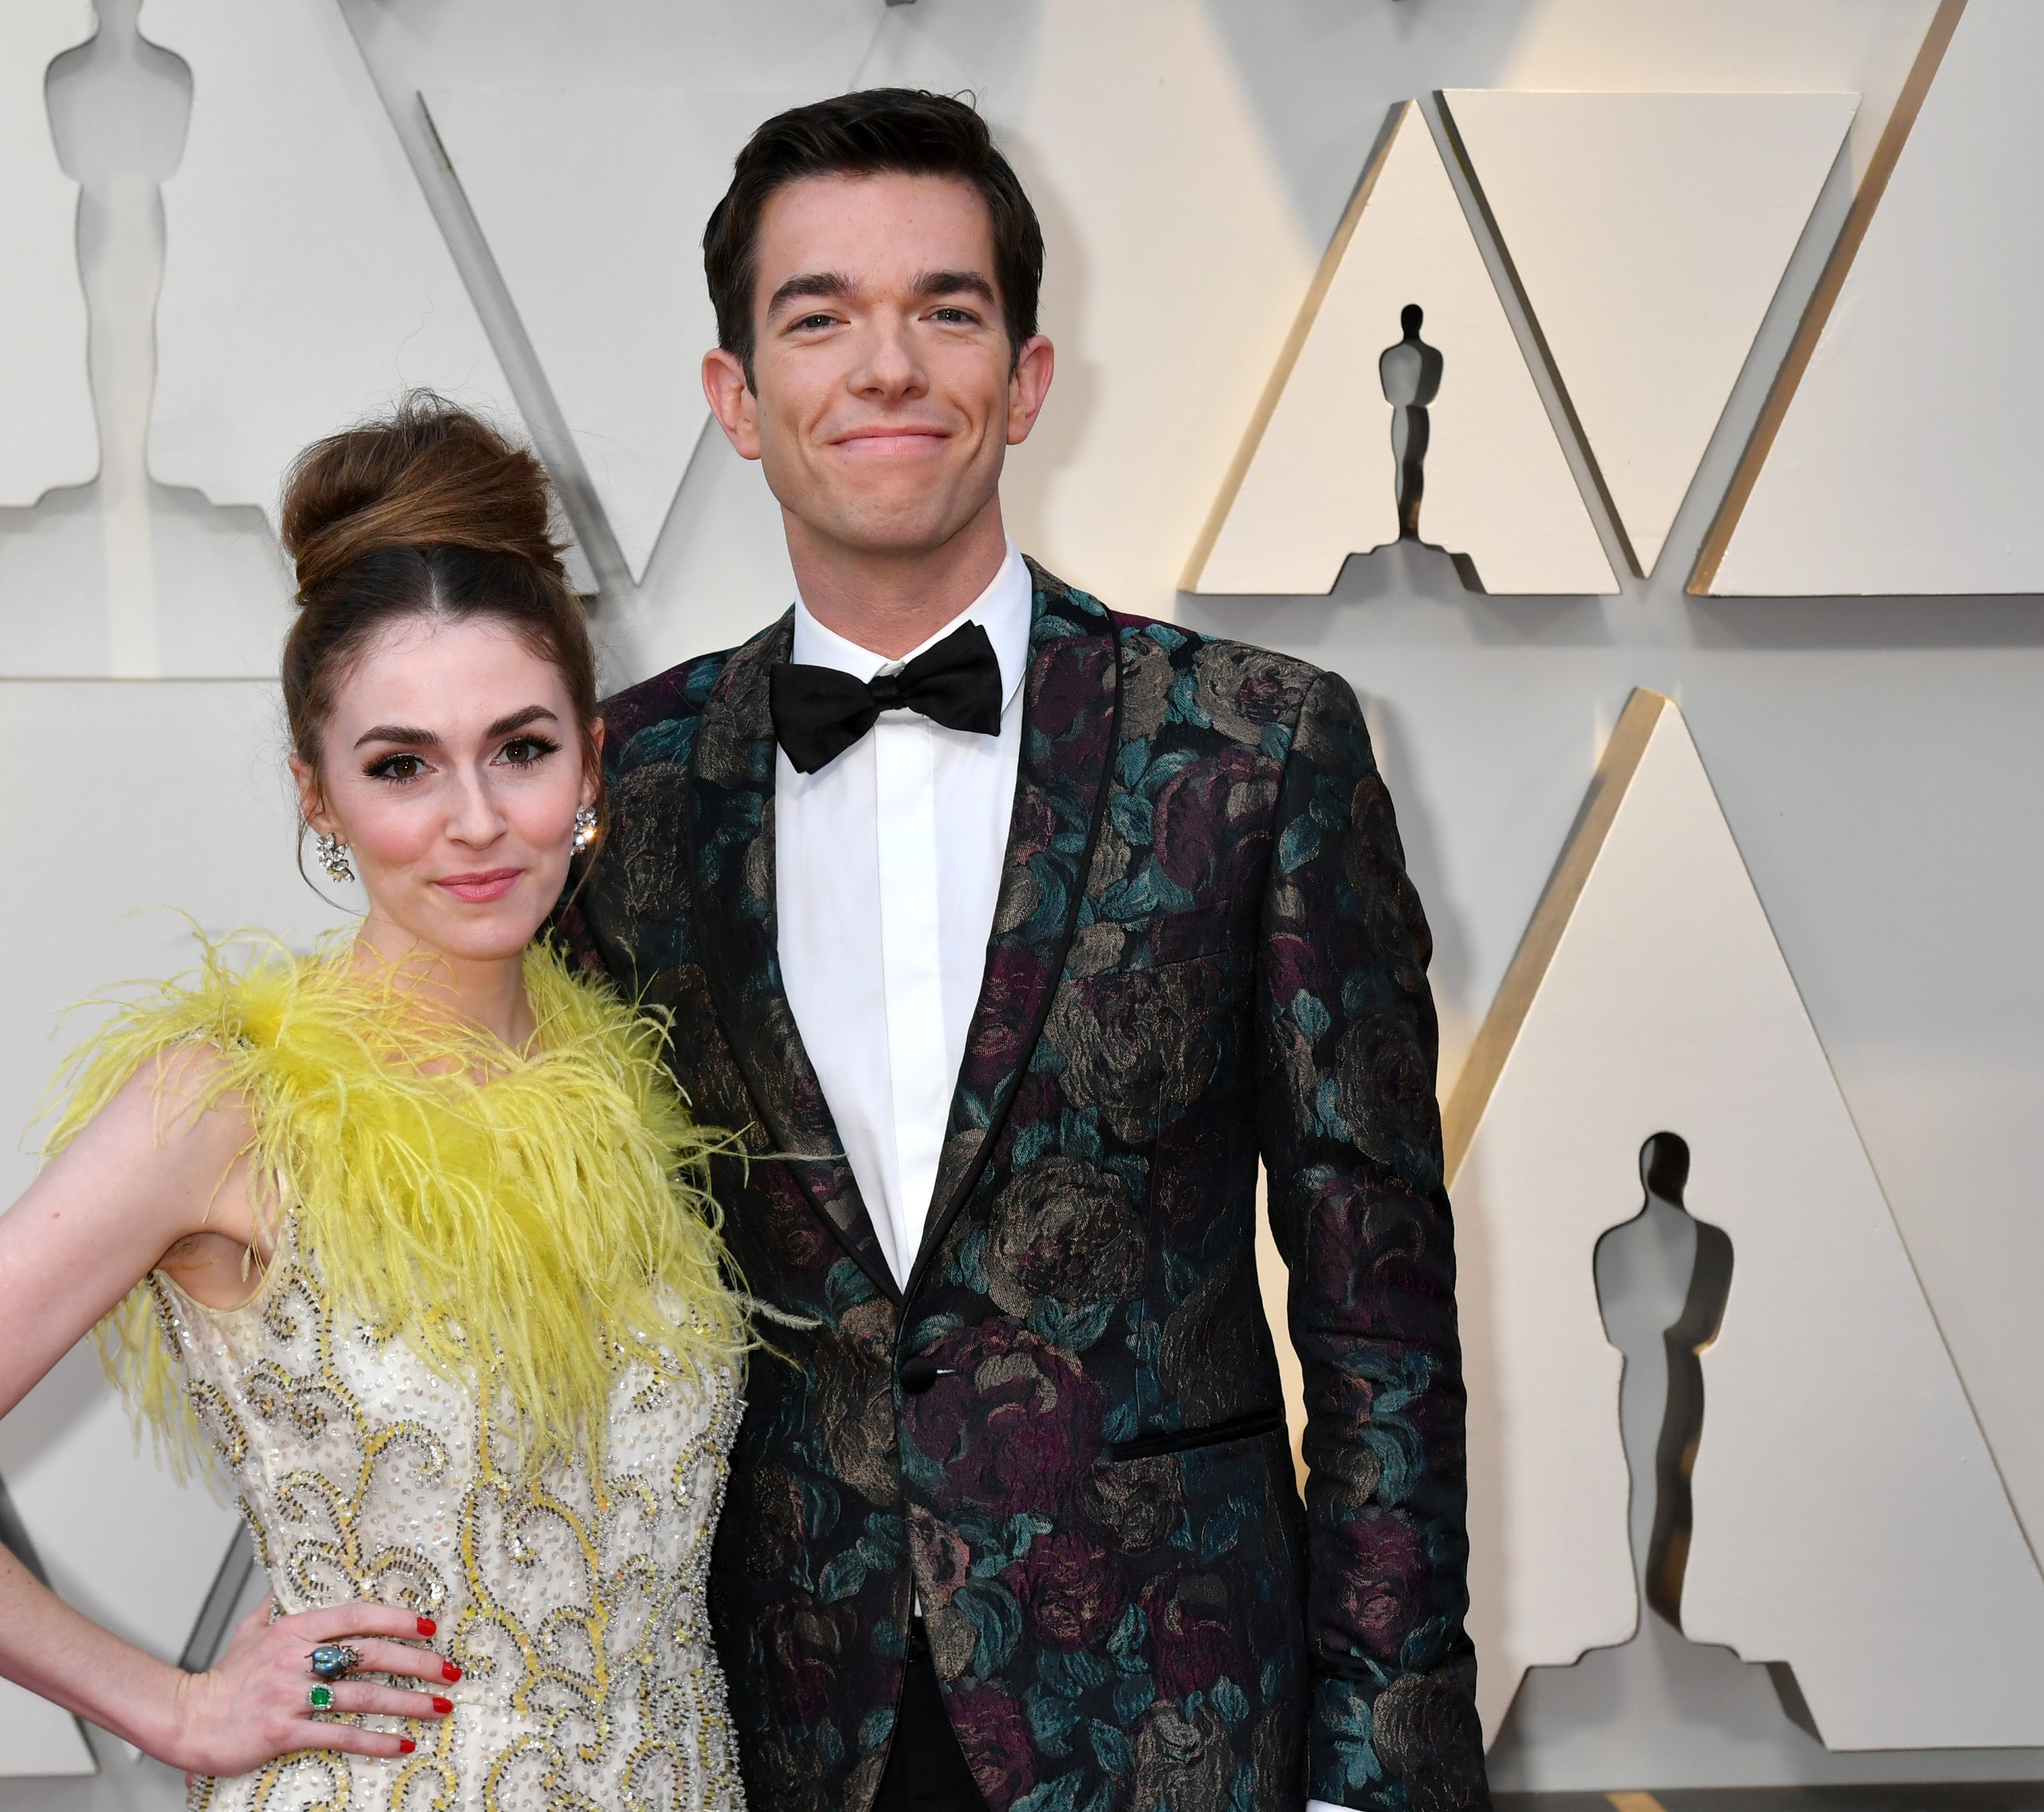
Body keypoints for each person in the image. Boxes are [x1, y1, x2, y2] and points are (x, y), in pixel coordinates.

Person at [555, 90, 1488, 1812]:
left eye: (948, 309)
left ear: (1029, 377)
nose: (887, 365)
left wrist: (1383, 1763)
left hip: (1181, 1727)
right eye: (818, 315)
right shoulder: (626, 791)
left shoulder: (1259, 748)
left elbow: (1384, 1327)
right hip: (769, 1729)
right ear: (736, 401)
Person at [0, 398, 755, 1811]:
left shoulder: (631, 1091)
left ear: (591, 765)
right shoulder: (226, 1105)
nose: (474, 819)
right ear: (318, 796)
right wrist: (173, 1705)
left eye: (521, 749)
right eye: (402, 765)